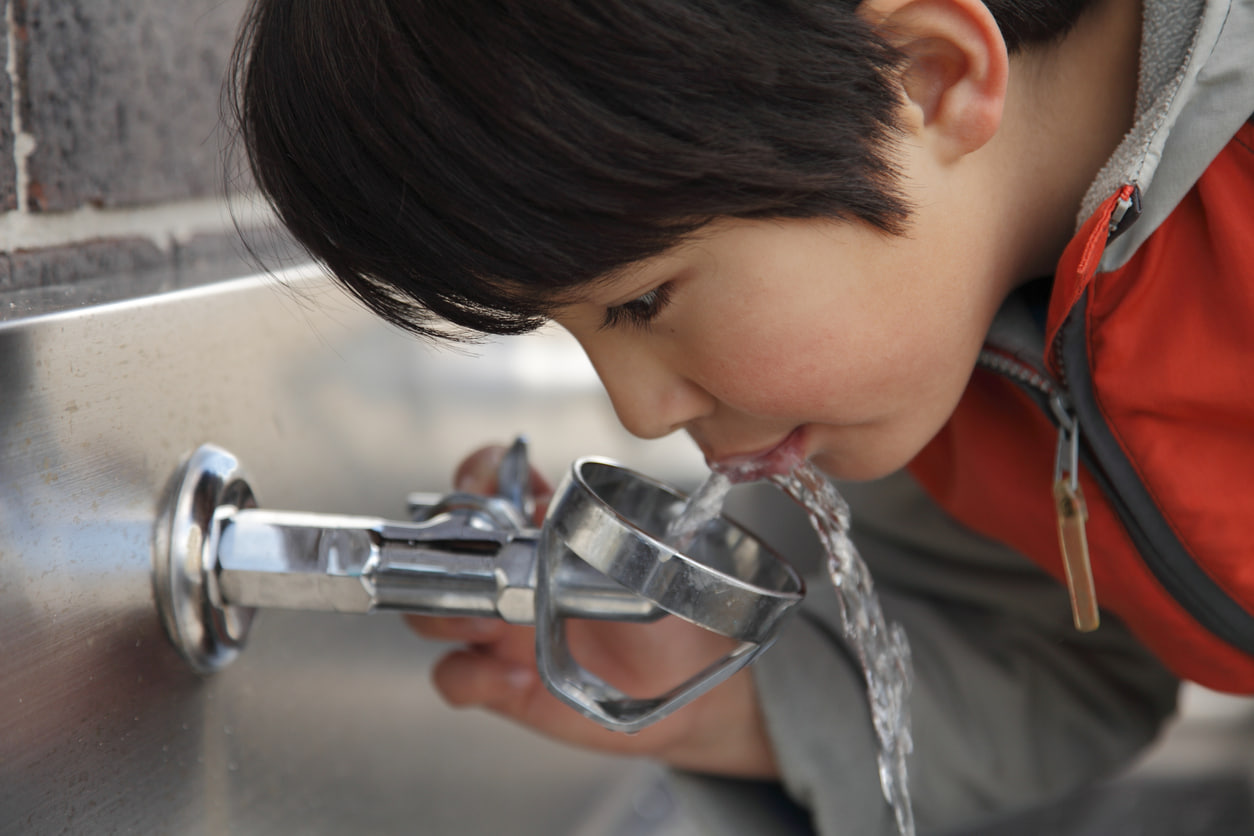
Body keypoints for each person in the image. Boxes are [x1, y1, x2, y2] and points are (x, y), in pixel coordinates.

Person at [227, 0, 1254, 833]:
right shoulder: (953, 344)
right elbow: (1071, 662)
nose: (639, 410)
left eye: (643, 300)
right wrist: (729, 700)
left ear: (928, 79)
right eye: (578, 331)